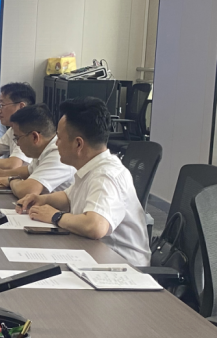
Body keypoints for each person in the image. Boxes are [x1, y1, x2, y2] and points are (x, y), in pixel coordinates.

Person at [16, 98, 150, 267]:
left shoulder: (106, 175)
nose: (56, 143)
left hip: (122, 267)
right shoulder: (91, 167)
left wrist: (55, 216)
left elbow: (95, 226)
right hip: (97, 256)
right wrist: (42, 199)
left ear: (78, 144)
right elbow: (69, 197)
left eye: (60, 138)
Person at [0, 104, 75, 198]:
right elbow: (28, 171)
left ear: (35, 137)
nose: (17, 144)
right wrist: (2, 173)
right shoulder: (43, 149)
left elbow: (27, 190)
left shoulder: (58, 154)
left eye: (18, 138)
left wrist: (10, 180)